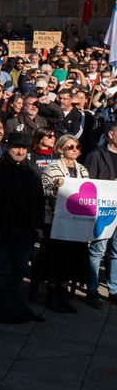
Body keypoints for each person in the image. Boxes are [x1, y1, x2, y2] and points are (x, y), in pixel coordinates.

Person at [0, 131, 44, 319]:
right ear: (8, 147)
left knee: (19, 268)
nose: (20, 151)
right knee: (0, 267)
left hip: (25, 229)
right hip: (3, 227)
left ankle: (13, 299)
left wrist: (38, 226)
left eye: (24, 148)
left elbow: (38, 200)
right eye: (17, 147)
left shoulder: (31, 170)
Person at [38, 135, 90, 313]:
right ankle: (52, 294)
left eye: (77, 146)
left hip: (75, 222)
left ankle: (64, 292)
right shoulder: (51, 169)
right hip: (55, 221)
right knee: (55, 257)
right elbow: (43, 191)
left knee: (70, 258)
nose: (75, 149)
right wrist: (54, 188)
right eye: (70, 147)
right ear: (60, 149)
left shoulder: (83, 170)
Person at [82, 122, 117, 305]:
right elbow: (89, 185)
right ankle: (93, 289)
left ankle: (114, 289)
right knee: (98, 251)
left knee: (116, 252)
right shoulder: (96, 155)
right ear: (111, 134)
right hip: (103, 210)